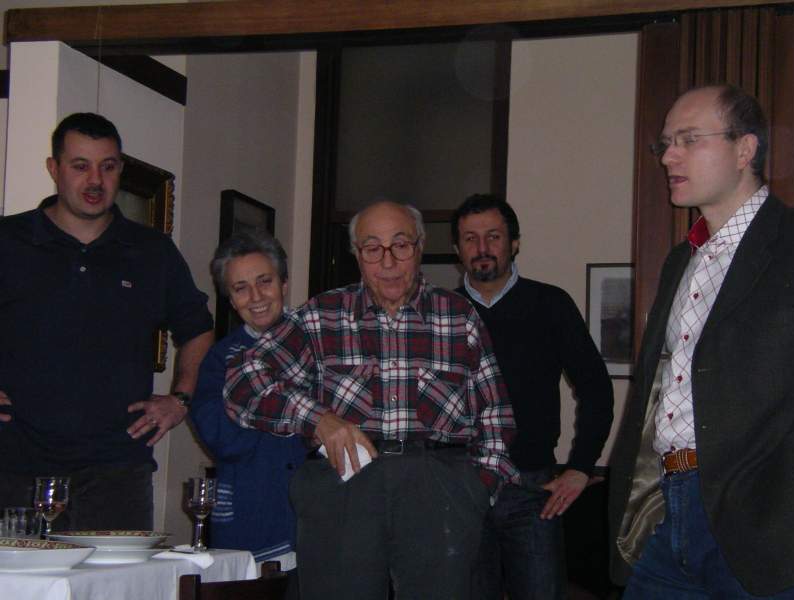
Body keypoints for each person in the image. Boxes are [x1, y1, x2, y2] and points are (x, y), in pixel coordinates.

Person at [224, 200, 518, 600]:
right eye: (372, 248)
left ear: (419, 246)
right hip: (343, 490)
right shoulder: (321, 316)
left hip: (440, 492)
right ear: (357, 255)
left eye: (401, 245)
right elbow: (242, 382)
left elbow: (496, 414)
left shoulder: (458, 315)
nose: (388, 262)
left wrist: (476, 491)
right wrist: (317, 419)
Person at [609, 84, 794, 598]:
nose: (668, 156)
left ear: (745, 150)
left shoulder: (792, 244)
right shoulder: (682, 260)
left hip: (764, 524)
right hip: (664, 506)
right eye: (666, 143)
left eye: (689, 139)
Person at [0, 113, 214, 530]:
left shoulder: (153, 252)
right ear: (54, 169)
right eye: (81, 166)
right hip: (14, 469)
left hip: (117, 473)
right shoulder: (9, 240)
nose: (95, 180)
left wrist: (180, 401)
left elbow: (199, 330)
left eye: (108, 166)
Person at [452, 194, 614, 600]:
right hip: (458, 490)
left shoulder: (550, 304)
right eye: (470, 238)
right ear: (457, 249)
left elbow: (595, 387)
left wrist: (581, 466)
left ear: (515, 243)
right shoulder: (442, 312)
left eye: (493, 236)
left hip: (532, 492)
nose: (482, 248)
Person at [191, 231, 306, 564]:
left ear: (284, 284)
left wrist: (255, 406)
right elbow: (224, 439)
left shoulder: (320, 343)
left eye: (264, 281)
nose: (256, 297)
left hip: (318, 515)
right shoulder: (221, 360)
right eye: (241, 288)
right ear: (231, 299)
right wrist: (291, 411)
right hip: (251, 514)